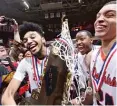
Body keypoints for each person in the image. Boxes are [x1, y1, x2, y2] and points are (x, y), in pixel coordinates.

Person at [72, 1, 117, 105]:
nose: (100, 19)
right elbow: (91, 92)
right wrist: (76, 102)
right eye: (98, 16)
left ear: (91, 40)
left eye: (110, 15)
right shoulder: (91, 57)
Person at [1, 22, 49, 105]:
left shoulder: (59, 56)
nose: (29, 41)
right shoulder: (25, 62)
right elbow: (7, 96)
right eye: (25, 40)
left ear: (43, 39)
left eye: (33, 37)